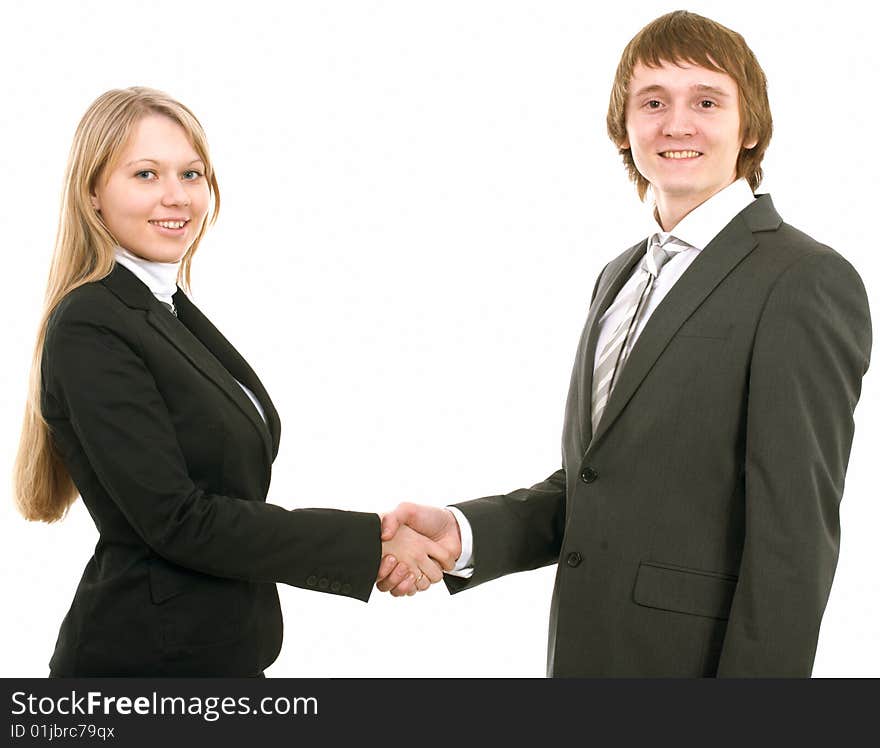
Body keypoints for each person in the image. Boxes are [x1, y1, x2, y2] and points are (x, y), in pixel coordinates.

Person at [377, 11, 872, 676]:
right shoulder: (618, 276)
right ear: (625, 127)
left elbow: (793, 542)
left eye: (706, 101)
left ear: (748, 126)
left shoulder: (804, 279)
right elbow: (600, 489)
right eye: (653, 102)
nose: (677, 124)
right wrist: (463, 533)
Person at [12, 87, 453, 677]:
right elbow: (178, 519)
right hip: (145, 668)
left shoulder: (165, 309)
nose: (177, 195)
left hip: (217, 657)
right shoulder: (92, 323)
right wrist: (366, 545)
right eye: (146, 174)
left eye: (191, 173)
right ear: (92, 193)